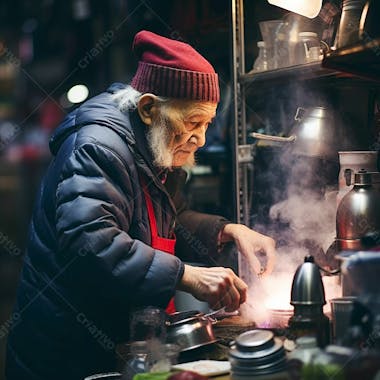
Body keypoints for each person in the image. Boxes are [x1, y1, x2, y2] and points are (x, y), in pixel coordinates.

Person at [6, 30, 276, 380]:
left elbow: (167, 218)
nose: (201, 139)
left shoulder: (151, 147)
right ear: (149, 108)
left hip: (111, 344)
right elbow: (91, 243)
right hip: (64, 351)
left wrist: (226, 229)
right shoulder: (96, 148)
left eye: (207, 124)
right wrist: (186, 275)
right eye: (192, 123)